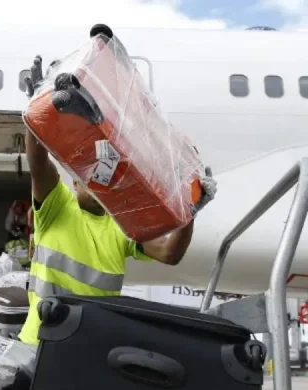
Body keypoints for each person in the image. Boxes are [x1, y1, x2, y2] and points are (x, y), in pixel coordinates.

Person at [18, 55, 217, 346]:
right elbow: (37, 160)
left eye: (104, 174)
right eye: (87, 176)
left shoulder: (122, 226)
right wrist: (40, 102)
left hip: (87, 347)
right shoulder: (57, 206)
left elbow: (169, 254)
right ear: (74, 182)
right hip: (39, 342)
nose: (97, 181)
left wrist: (188, 215)